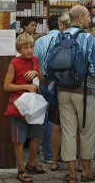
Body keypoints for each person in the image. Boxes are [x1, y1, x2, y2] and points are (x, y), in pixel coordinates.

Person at [58, 5, 95, 183]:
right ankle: (85, 172)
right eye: (88, 17)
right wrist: (92, 86)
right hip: (84, 93)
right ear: (80, 19)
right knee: (86, 132)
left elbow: (47, 66)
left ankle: (71, 175)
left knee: (68, 132)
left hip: (63, 91)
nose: (90, 19)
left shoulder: (60, 37)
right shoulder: (88, 38)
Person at [3, 33, 46, 183]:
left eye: (31, 46)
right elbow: (6, 86)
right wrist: (26, 86)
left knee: (36, 135)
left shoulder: (35, 60)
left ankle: (32, 163)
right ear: (19, 49)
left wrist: (37, 73)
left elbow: (43, 80)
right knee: (19, 139)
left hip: (34, 104)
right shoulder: (14, 63)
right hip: (19, 106)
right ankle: (20, 169)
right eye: (25, 47)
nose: (29, 50)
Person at [34, 15, 60, 166]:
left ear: (48, 27)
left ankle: (48, 154)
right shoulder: (66, 38)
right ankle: (62, 154)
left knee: (46, 119)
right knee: (61, 119)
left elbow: (35, 63)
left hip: (44, 82)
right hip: (63, 84)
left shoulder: (40, 41)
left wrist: (41, 78)